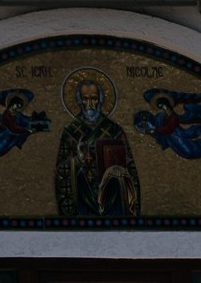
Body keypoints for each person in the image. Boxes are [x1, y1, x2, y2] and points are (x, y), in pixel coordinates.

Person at [53, 69, 140, 218]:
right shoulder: (70, 132)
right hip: (83, 196)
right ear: (79, 101)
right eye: (85, 99)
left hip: (111, 197)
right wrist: (77, 160)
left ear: (100, 100)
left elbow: (130, 167)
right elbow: (61, 170)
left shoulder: (114, 130)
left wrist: (120, 171)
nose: (90, 104)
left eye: (94, 98)